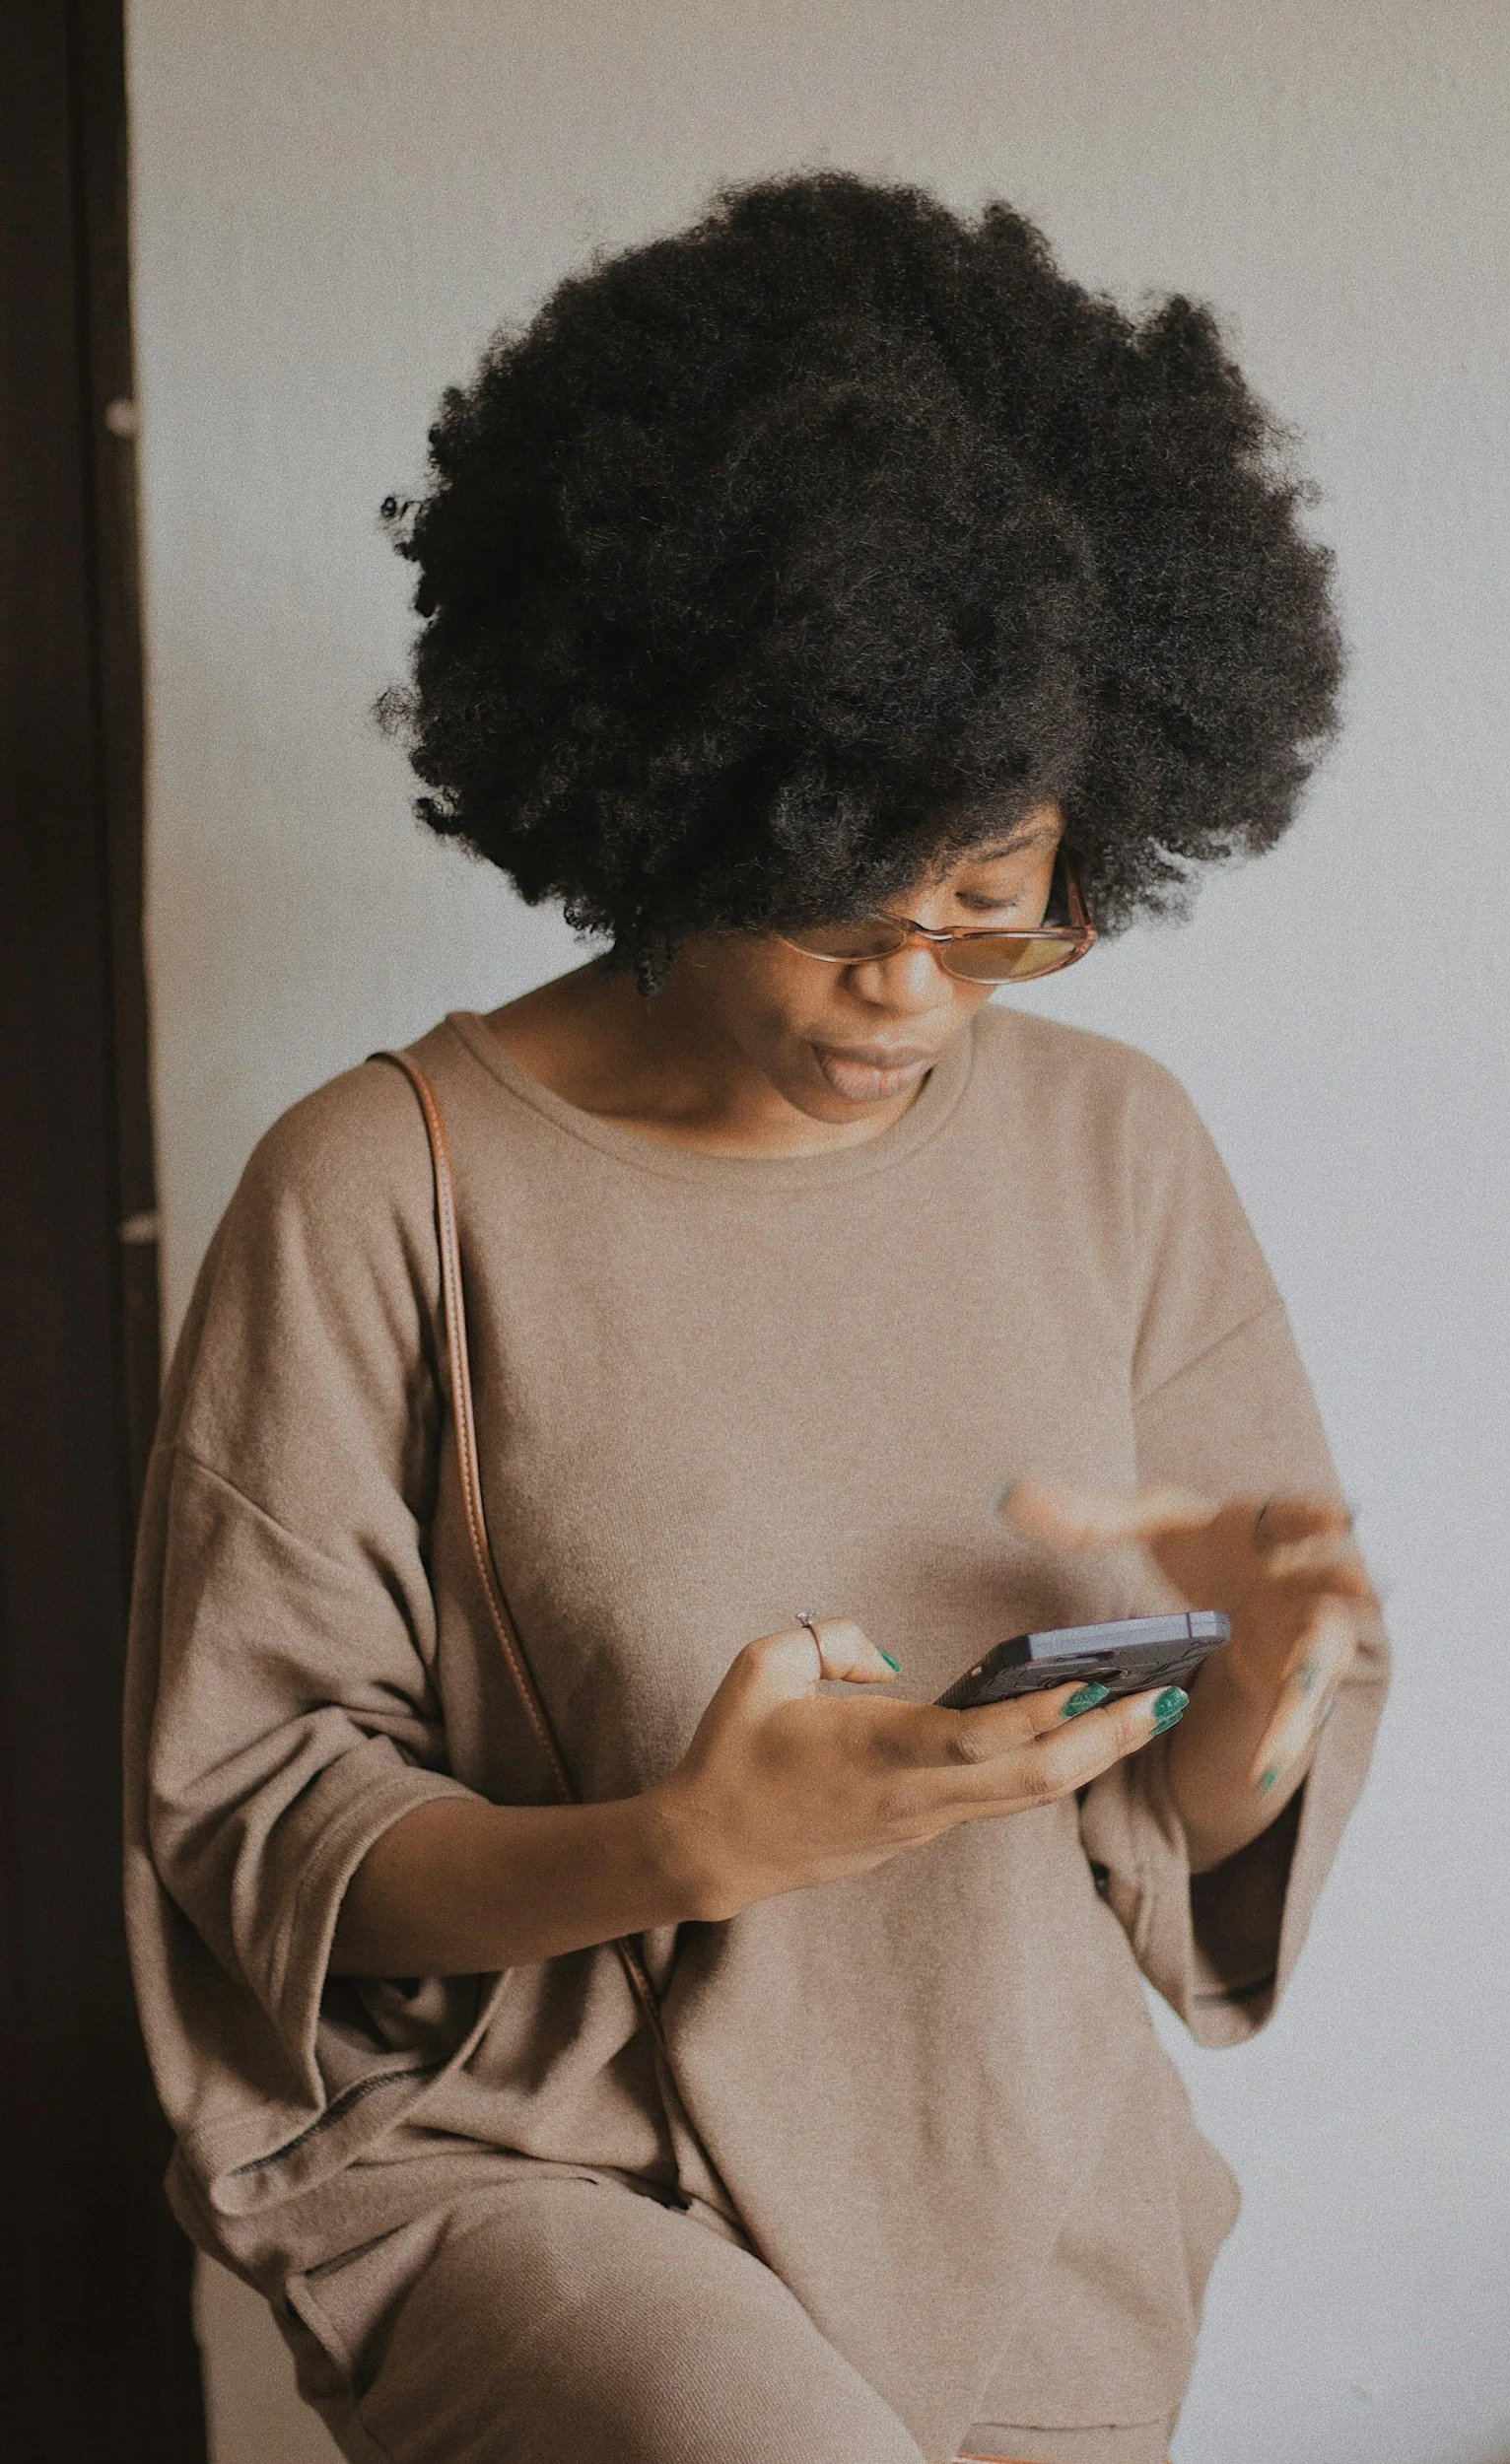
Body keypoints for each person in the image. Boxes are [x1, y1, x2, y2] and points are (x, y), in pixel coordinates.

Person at [125, 171, 1389, 2464]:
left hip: (1021, 2169)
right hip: (552, 2175)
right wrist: (691, 1842)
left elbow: (1179, 1858)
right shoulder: (376, 1183)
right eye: (832, 902)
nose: (909, 988)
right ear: (685, 801)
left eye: (994, 912)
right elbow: (255, 1817)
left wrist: (1262, 1701)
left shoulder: (1116, 1148)